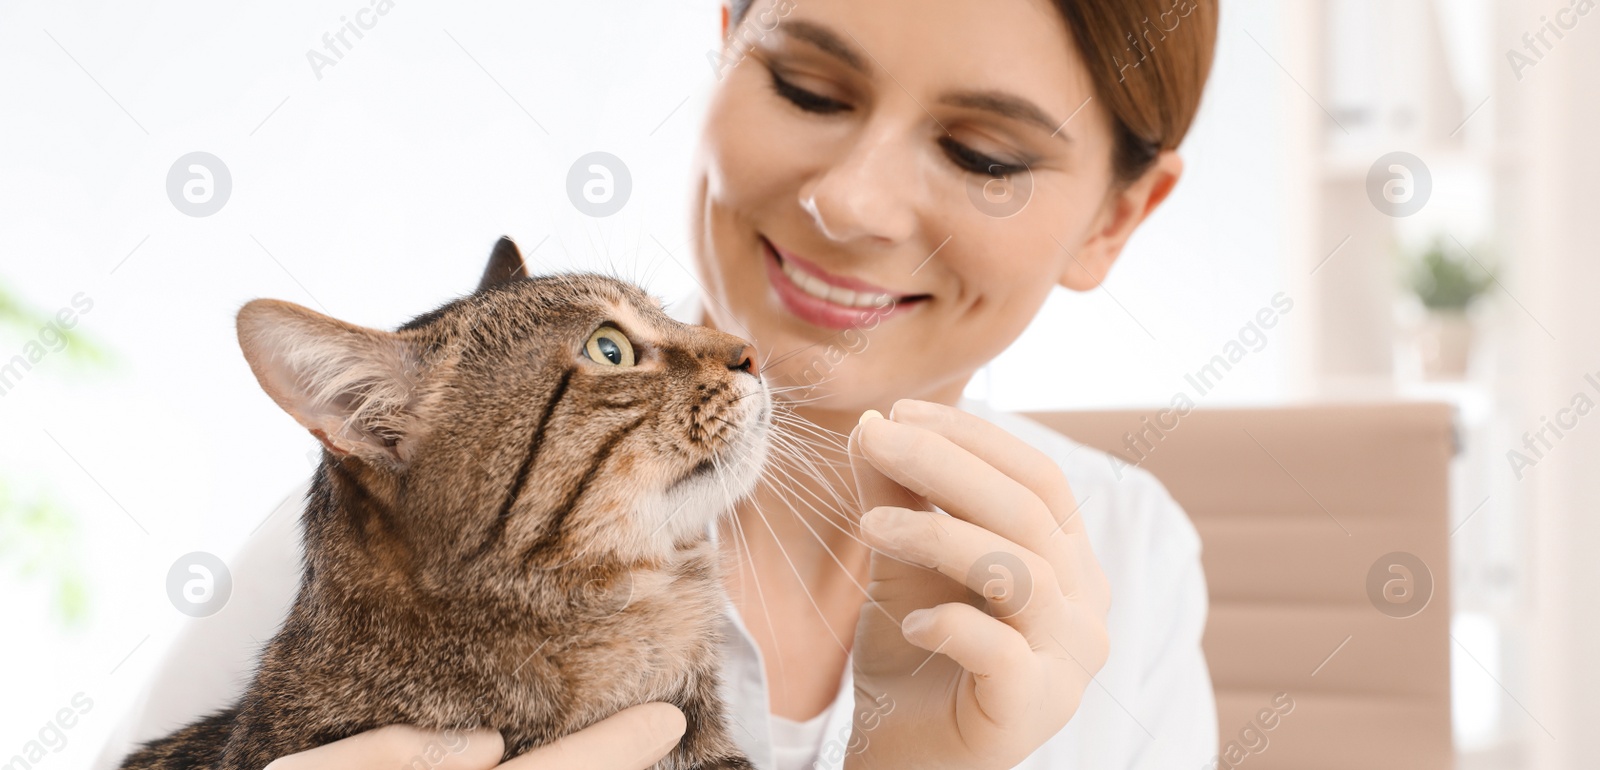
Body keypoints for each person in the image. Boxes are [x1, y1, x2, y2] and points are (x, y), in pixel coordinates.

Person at [98, 0, 1220, 767]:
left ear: (1119, 217)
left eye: (982, 154)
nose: (854, 204)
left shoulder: (1137, 553)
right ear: (724, 42)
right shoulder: (386, 551)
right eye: (806, 86)